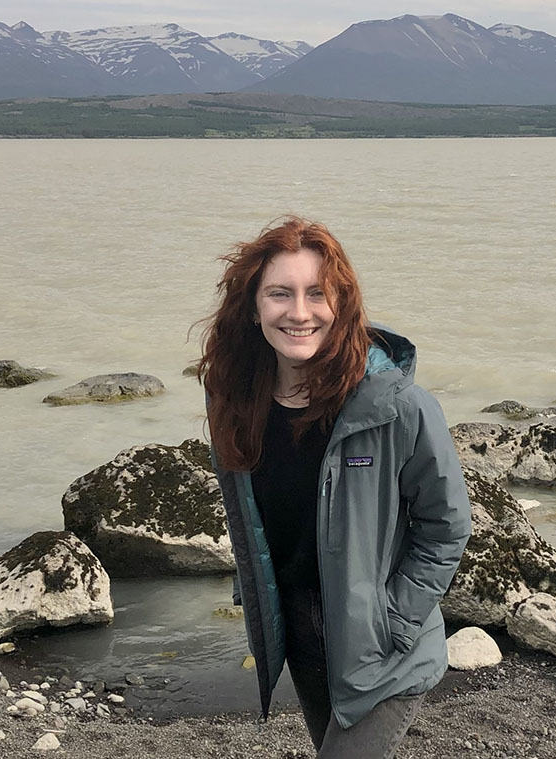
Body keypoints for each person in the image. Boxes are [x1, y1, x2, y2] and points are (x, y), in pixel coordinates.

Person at [194, 216, 472, 758]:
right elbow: (247, 515)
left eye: (317, 294)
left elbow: (446, 525)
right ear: (253, 308)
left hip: (382, 641)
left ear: (340, 304)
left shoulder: (398, 407)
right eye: (279, 293)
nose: (299, 312)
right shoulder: (234, 400)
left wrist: (398, 616)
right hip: (298, 633)